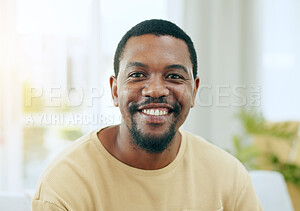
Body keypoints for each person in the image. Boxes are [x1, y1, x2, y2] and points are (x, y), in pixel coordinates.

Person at [32, 19, 262, 211]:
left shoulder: (228, 178)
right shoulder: (66, 182)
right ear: (114, 90)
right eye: (137, 74)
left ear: (194, 91)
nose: (155, 90)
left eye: (174, 76)